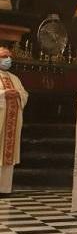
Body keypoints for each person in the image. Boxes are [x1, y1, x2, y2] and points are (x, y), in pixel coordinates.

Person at [0, 46, 28, 194]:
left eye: (9, 57)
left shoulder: (14, 78)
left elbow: (25, 94)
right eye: (4, 56)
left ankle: (4, 189)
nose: (8, 60)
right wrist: (4, 94)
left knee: (7, 155)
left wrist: (17, 94)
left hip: (12, 120)